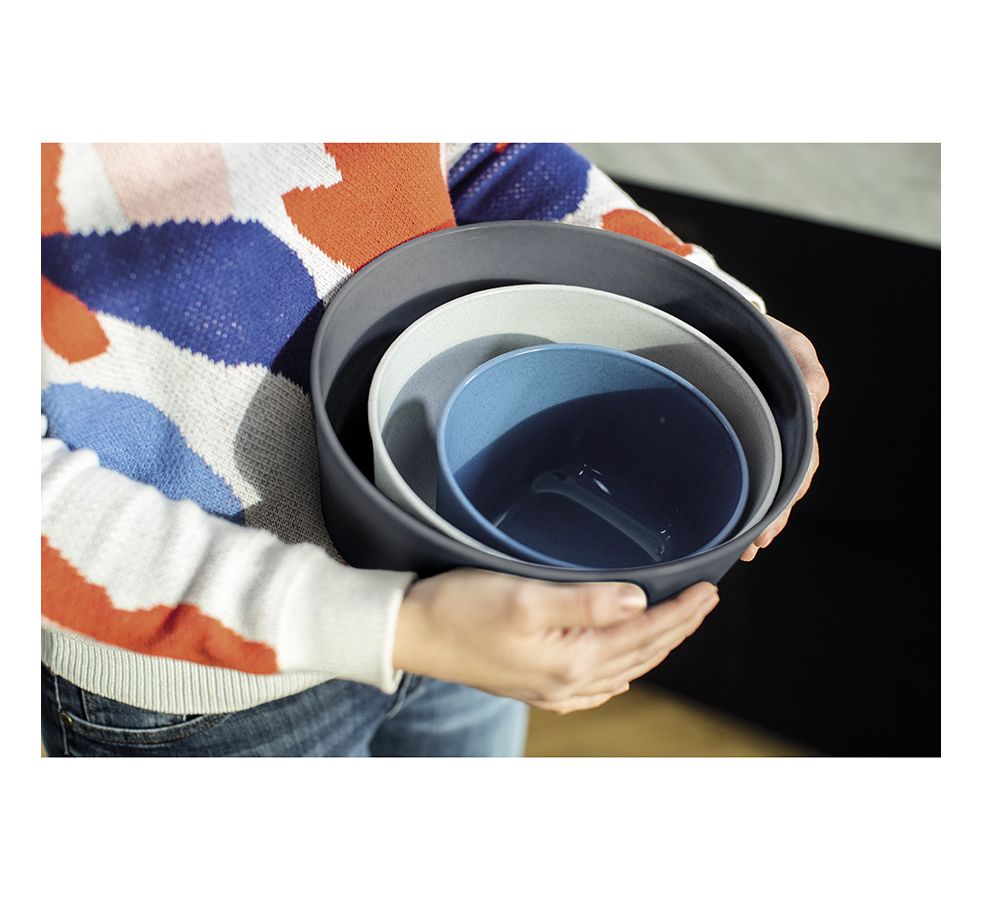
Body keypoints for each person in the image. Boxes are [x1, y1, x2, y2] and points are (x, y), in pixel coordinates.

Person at [40, 142, 828, 757]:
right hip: (207, 663)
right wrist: (397, 626)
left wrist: (715, 313)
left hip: (484, 593)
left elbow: (484, 150)